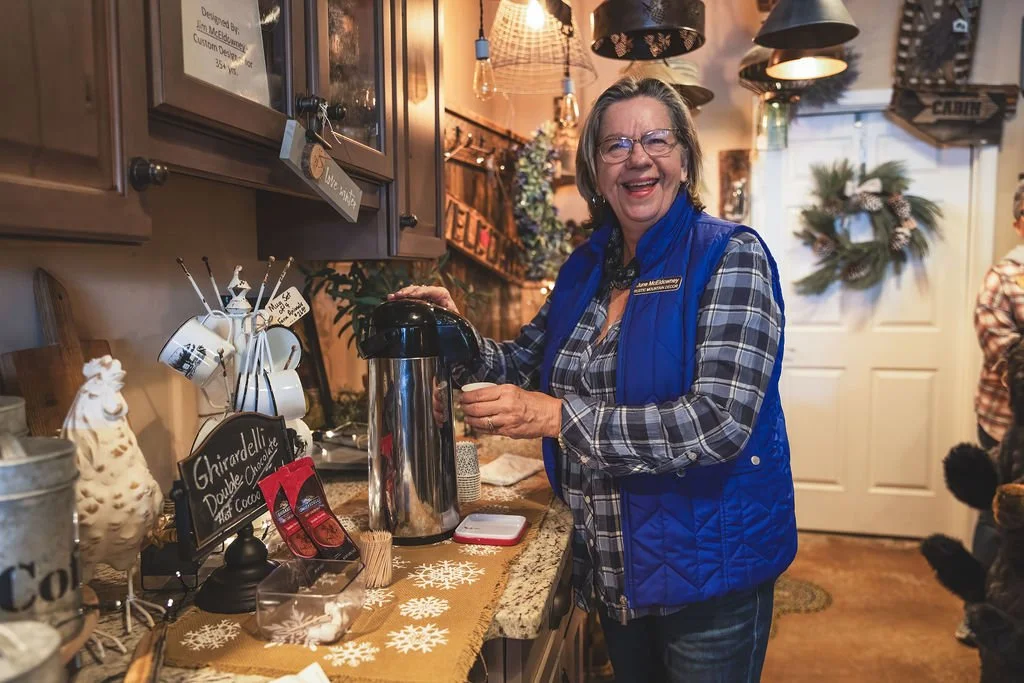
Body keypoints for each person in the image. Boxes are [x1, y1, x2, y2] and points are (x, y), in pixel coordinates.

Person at [390, 76, 796, 682]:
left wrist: (554, 417)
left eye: (656, 139)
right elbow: (519, 364)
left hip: (708, 574)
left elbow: (718, 422)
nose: (637, 158)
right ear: (596, 171)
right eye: (616, 145)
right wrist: (456, 333)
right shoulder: (586, 269)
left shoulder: (730, 255)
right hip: (613, 568)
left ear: (684, 159)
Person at [963, 178, 1024, 644]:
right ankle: (979, 612)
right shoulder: (1004, 277)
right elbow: (1005, 352)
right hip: (1007, 425)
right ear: (1018, 222)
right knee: (997, 514)